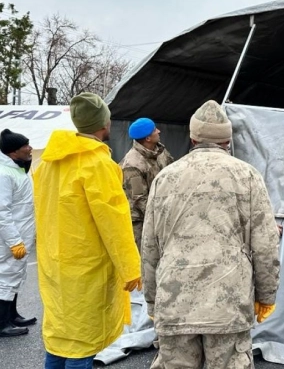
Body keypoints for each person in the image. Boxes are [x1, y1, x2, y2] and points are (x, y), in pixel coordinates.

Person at [142, 100, 281, 369]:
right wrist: (266, 296)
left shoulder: (165, 178)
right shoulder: (247, 176)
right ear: (227, 139)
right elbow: (265, 243)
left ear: (192, 138)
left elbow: (150, 245)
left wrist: (151, 299)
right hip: (227, 302)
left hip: (174, 300)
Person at [33, 92, 142, 368]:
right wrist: (130, 268)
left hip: (54, 262)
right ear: (105, 124)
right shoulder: (98, 164)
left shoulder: (48, 162)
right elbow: (114, 221)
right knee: (82, 342)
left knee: (60, 336)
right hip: (86, 267)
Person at [0, 129, 35, 337]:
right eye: (26, 146)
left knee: (15, 275)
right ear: (13, 152)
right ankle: (2, 323)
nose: (30, 148)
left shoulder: (16, 169)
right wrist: (14, 241)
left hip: (20, 233)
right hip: (10, 238)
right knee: (5, 277)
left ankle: (12, 315)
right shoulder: (4, 174)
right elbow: (1, 211)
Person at [120, 117, 174, 250]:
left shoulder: (160, 152)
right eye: (155, 130)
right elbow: (139, 199)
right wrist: (161, 220)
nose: (159, 131)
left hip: (162, 214)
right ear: (148, 139)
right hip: (143, 223)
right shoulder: (133, 165)